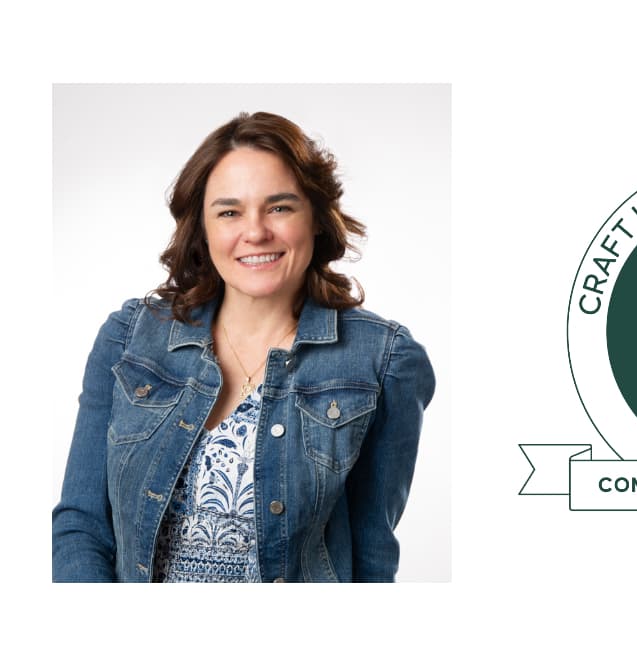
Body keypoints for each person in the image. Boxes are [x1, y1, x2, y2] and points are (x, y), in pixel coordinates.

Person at [52, 111, 435, 582]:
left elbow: (372, 558)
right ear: (203, 227)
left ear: (316, 218)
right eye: (229, 212)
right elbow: (81, 525)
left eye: (279, 207)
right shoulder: (130, 337)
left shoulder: (384, 360)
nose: (255, 232)